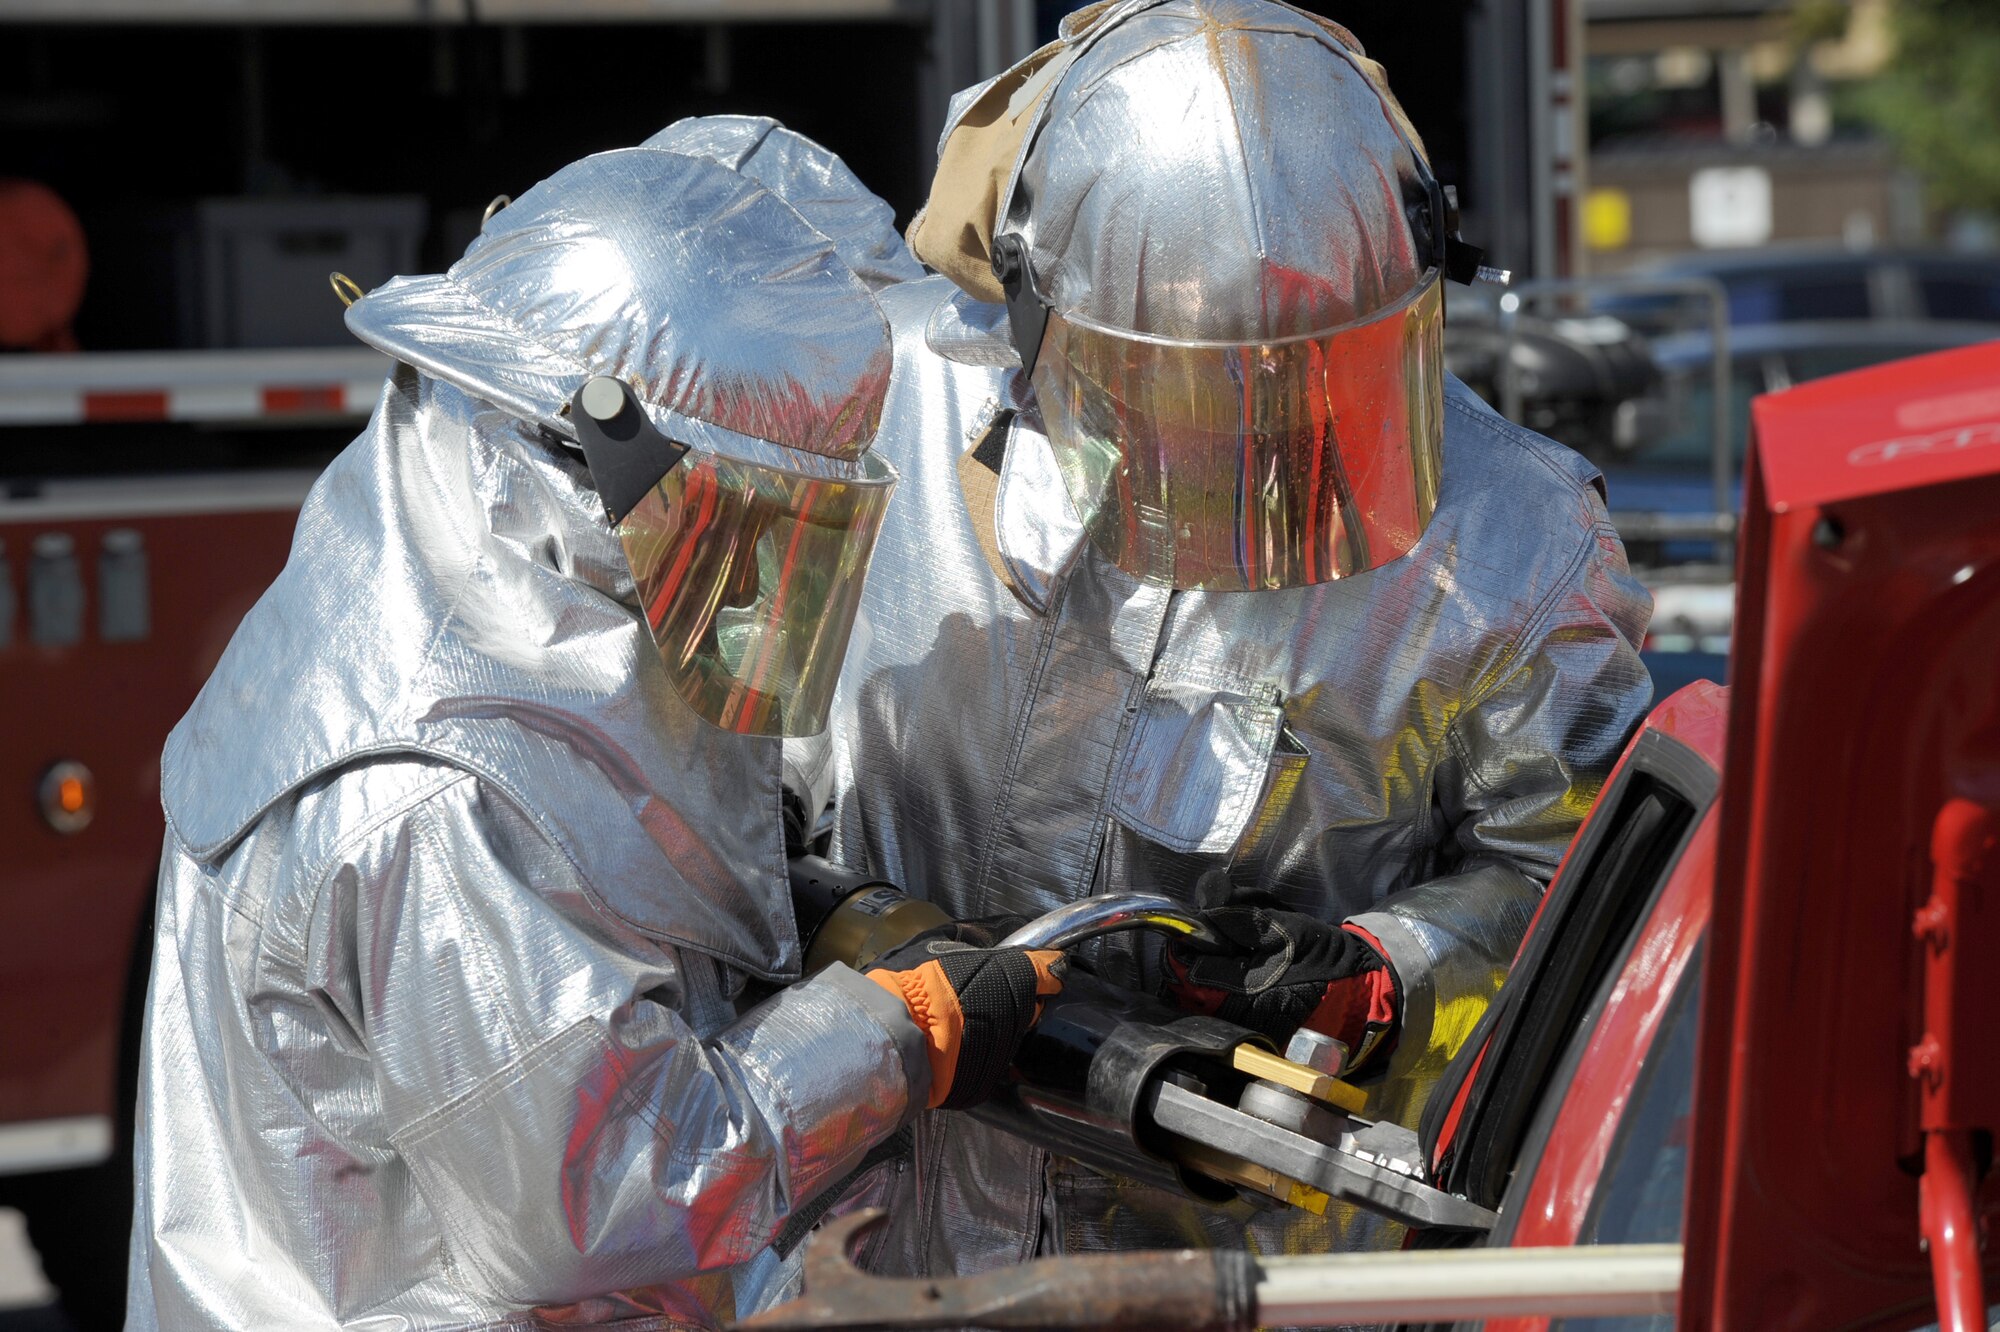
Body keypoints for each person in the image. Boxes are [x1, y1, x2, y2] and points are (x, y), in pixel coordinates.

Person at [126, 122, 1060, 1332]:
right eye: (756, 518)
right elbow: (606, 1190)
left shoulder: (464, 572)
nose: (763, 585)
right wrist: (894, 1031)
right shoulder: (439, 783)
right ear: (601, 455)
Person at [824, 0, 1655, 1270]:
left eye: (1302, 389)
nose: (1243, 444)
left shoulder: (1511, 545)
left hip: (1237, 1266)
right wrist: (864, 937)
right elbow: (712, 790)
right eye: (1181, 393)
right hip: (864, 1247)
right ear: (1041, 320)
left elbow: (1582, 886)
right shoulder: (878, 427)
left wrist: (1379, 971)